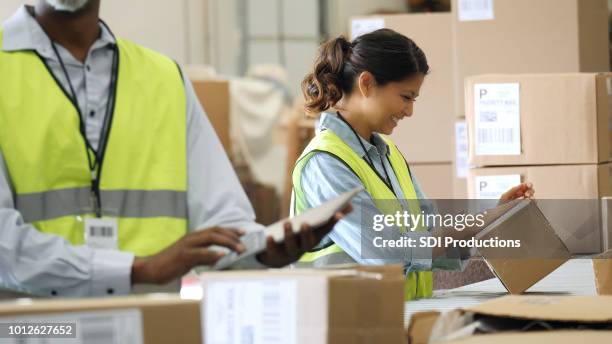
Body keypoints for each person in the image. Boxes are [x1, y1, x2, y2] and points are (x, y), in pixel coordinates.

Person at [0, 0, 349, 298]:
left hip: (150, 325)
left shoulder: (163, 78)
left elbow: (223, 220)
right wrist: (137, 269)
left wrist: (262, 251)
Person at [291, 29, 534, 300]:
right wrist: (478, 222)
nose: (409, 111)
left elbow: (429, 235)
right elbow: (386, 254)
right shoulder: (325, 164)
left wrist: (493, 217)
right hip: (345, 325)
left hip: (400, 316)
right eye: (406, 97)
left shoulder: (388, 154)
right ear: (367, 84)